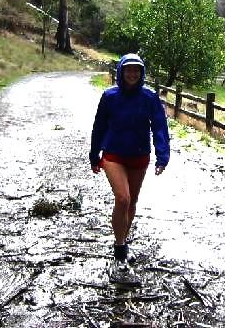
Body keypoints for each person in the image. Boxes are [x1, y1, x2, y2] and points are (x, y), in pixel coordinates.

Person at [89, 53, 170, 281]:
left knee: (132, 202)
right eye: (128, 70)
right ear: (121, 72)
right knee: (122, 198)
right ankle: (120, 247)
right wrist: (95, 154)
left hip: (139, 156)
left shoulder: (149, 98)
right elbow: (99, 127)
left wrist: (162, 156)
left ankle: (123, 238)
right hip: (113, 154)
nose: (132, 74)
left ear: (141, 73)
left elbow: (160, 127)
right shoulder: (109, 96)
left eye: (136, 70)